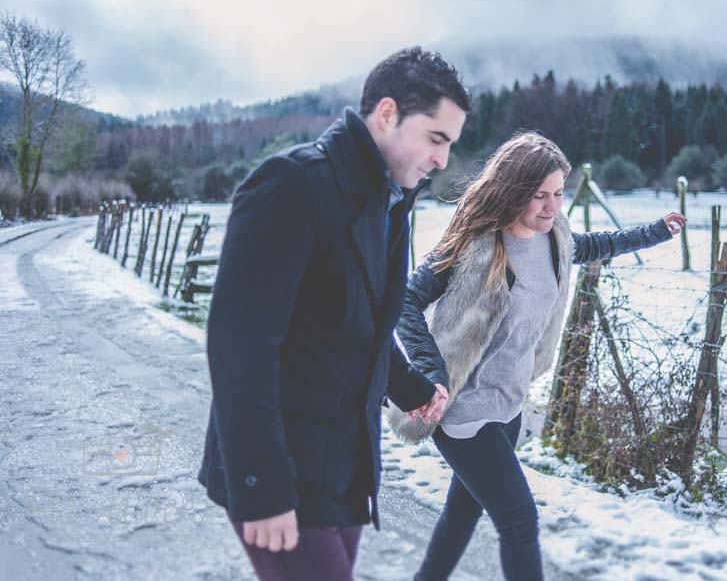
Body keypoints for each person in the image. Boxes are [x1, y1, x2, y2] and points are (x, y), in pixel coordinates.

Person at [197, 46, 470, 581]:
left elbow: (361, 322)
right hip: (284, 472)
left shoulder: (389, 199)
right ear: (387, 114)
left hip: (344, 469)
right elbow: (240, 350)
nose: (442, 160)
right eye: (436, 138)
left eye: (450, 145)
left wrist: (412, 389)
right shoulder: (292, 185)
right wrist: (263, 488)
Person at [390, 132, 686, 581]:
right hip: (463, 410)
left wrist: (655, 232)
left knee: (461, 515)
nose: (551, 207)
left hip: (507, 406)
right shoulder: (475, 246)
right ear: (512, 192)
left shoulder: (555, 240)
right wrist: (431, 372)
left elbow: (596, 245)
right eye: (538, 196)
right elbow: (406, 302)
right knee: (519, 521)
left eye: (558, 194)